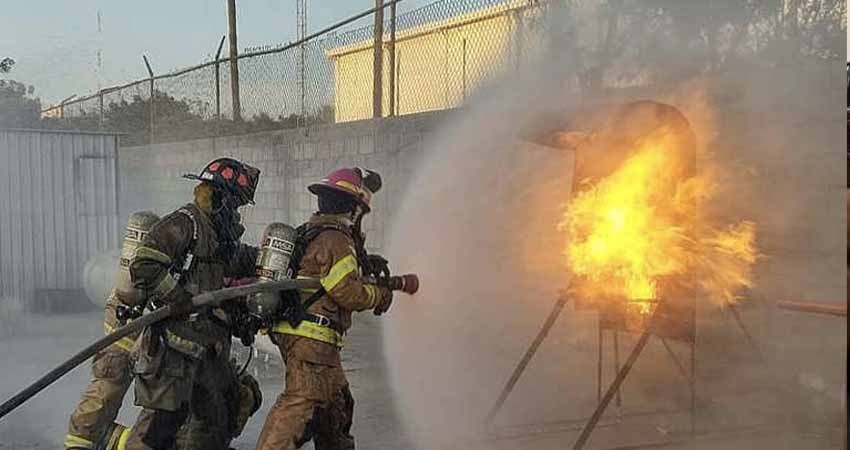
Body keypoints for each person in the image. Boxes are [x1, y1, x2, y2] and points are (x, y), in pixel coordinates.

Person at [123, 157, 262, 450]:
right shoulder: (185, 222)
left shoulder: (216, 232)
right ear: (220, 198)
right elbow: (145, 265)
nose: (236, 213)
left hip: (207, 347)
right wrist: (177, 297)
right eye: (235, 204)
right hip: (175, 347)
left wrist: (276, 258)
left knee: (218, 418)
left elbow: (236, 260)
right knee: (163, 428)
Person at [255, 167, 393, 450]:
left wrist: (365, 262)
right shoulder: (336, 239)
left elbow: (328, 276)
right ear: (354, 209)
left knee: (336, 405)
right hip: (311, 338)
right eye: (361, 211)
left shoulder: (315, 231)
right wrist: (380, 295)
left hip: (312, 338)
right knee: (299, 404)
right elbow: (348, 292)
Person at [64, 212, 159, 450]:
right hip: (129, 321)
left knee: (112, 381)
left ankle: (102, 439)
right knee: (115, 378)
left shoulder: (126, 283)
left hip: (124, 316)